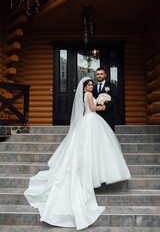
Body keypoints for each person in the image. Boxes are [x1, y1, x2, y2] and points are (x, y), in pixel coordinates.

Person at [24, 77, 131, 231]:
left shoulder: (84, 96)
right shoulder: (88, 95)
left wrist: (93, 108)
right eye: (89, 84)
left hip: (87, 120)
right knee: (94, 148)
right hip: (92, 120)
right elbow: (92, 109)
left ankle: (94, 175)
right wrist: (101, 106)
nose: (91, 86)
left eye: (92, 84)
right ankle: (94, 176)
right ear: (85, 87)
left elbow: (82, 110)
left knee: (91, 148)